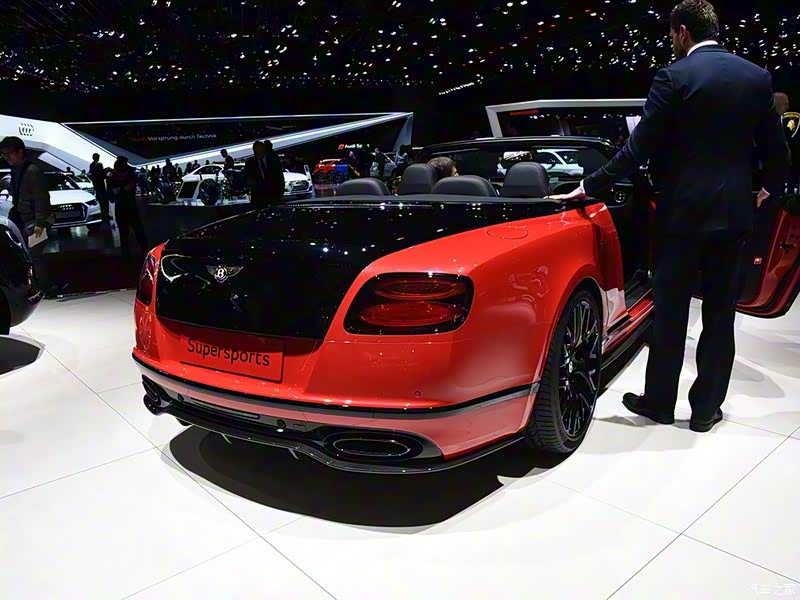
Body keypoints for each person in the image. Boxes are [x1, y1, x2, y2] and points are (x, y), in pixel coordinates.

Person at [549, 0, 790, 432]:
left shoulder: (674, 76)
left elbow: (637, 148)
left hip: (681, 215)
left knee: (671, 311)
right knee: (720, 315)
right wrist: (767, 190)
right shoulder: (755, 77)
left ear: (681, 32)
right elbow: (777, 150)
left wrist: (589, 186)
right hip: (733, 215)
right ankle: (705, 410)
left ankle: (659, 403)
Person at [0, 136, 61, 296]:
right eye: (4, 155)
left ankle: (44, 287)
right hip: (24, 219)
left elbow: (42, 198)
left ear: (20, 152)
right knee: (30, 256)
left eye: (9, 154)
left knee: (35, 256)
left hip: (35, 221)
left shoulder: (32, 171)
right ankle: (38, 286)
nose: (6, 157)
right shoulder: (17, 170)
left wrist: (40, 222)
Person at [107, 156, 148, 262]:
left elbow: (111, 198)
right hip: (129, 208)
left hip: (123, 209)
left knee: (126, 234)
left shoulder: (113, 179)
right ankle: (143, 253)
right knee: (136, 232)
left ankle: (128, 255)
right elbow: (112, 197)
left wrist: (119, 191)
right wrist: (123, 190)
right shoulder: (128, 177)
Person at [245, 140, 284, 209]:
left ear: (264, 150)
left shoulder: (274, 160)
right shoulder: (250, 163)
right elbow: (247, 178)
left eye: (260, 151)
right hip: (258, 198)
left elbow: (280, 178)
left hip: (274, 196)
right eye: (256, 152)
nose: (258, 154)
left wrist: (280, 194)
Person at [88, 152, 110, 221]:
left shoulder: (99, 165)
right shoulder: (92, 165)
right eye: (96, 157)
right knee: (101, 201)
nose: (97, 158)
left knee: (104, 201)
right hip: (98, 185)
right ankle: (103, 215)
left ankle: (106, 214)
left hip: (101, 185)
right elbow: (93, 174)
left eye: (98, 157)